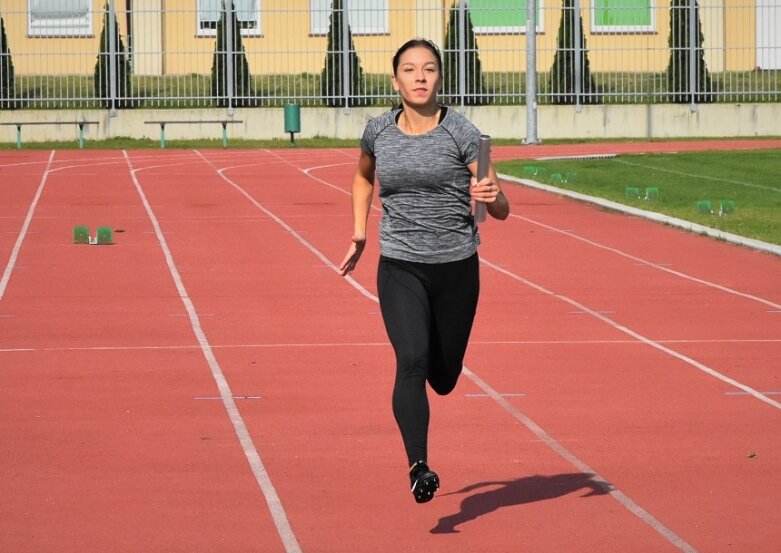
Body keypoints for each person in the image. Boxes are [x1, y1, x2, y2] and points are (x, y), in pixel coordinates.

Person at [338, 38, 510, 504]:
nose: (419, 77)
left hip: (456, 267)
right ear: (395, 81)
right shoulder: (378, 131)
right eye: (410, 69)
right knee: (410, 360)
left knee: (445, 378)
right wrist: (359, 231)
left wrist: (494, 197)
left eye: (429, 69)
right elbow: (362, 177)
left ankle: (440, 369)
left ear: (439, 79)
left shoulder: (462, 132)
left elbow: (500, 209)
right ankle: (419, 467)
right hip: (399, 266)